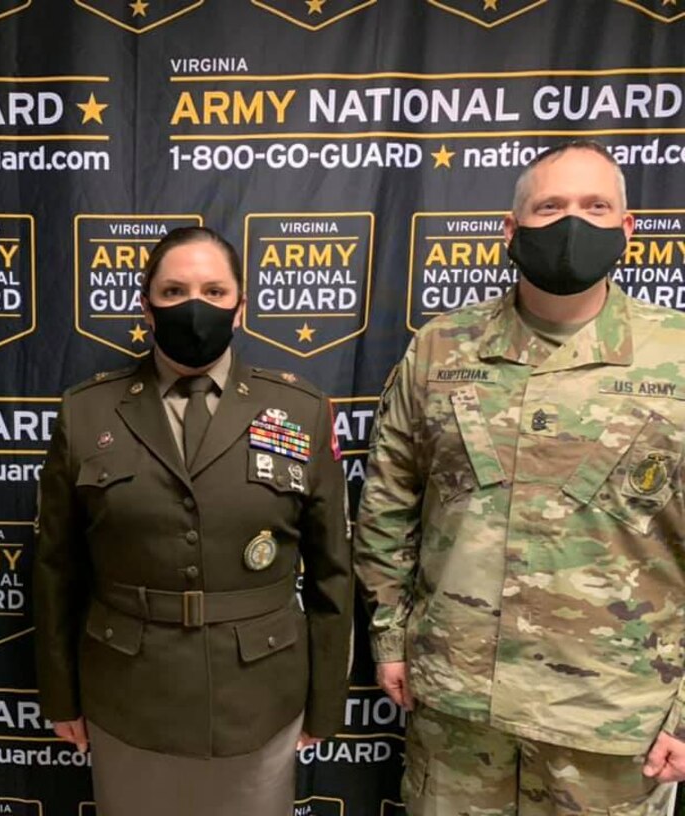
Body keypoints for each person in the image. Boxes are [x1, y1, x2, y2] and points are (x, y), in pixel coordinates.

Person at [355, 139, 685, 814]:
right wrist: (390, 638)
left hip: (611, 724)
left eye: (596, 207)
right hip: (457, 712)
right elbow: (388, 504)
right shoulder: (442, 348)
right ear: (511, 229)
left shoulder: (676, 354)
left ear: (628, 228)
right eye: (550, 207)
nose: (573, 223)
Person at [33, 226, 353, 816]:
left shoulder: (299, 410)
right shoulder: (87, 411)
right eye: (174, 291)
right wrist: (60, 696)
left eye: (214, 291)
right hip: (128, 690)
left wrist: (327, 700)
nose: (195, 305)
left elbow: (333, 570)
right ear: (146, 306)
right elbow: (55, 569)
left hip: (259, 693)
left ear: (240, 308)